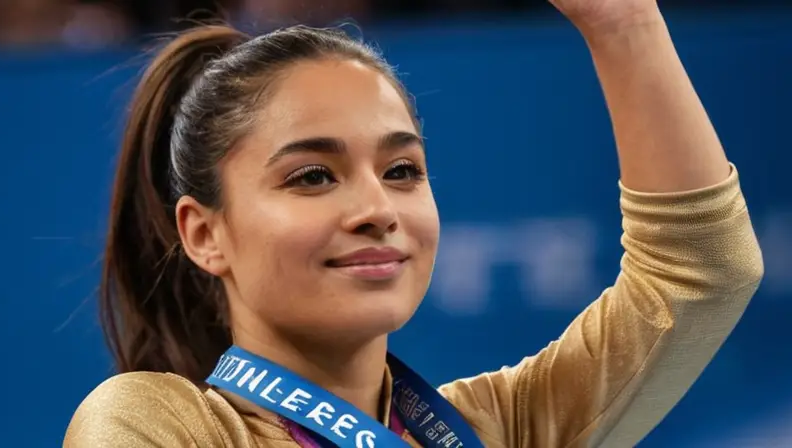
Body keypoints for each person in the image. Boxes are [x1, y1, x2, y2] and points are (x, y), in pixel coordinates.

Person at [63, 0, 764, 446]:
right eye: (312, 176)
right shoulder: (155, 424)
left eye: (402, 171)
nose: (377, 210)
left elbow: (699, 273)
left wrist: (623, 22)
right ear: (202, 234)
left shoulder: (495, 428)